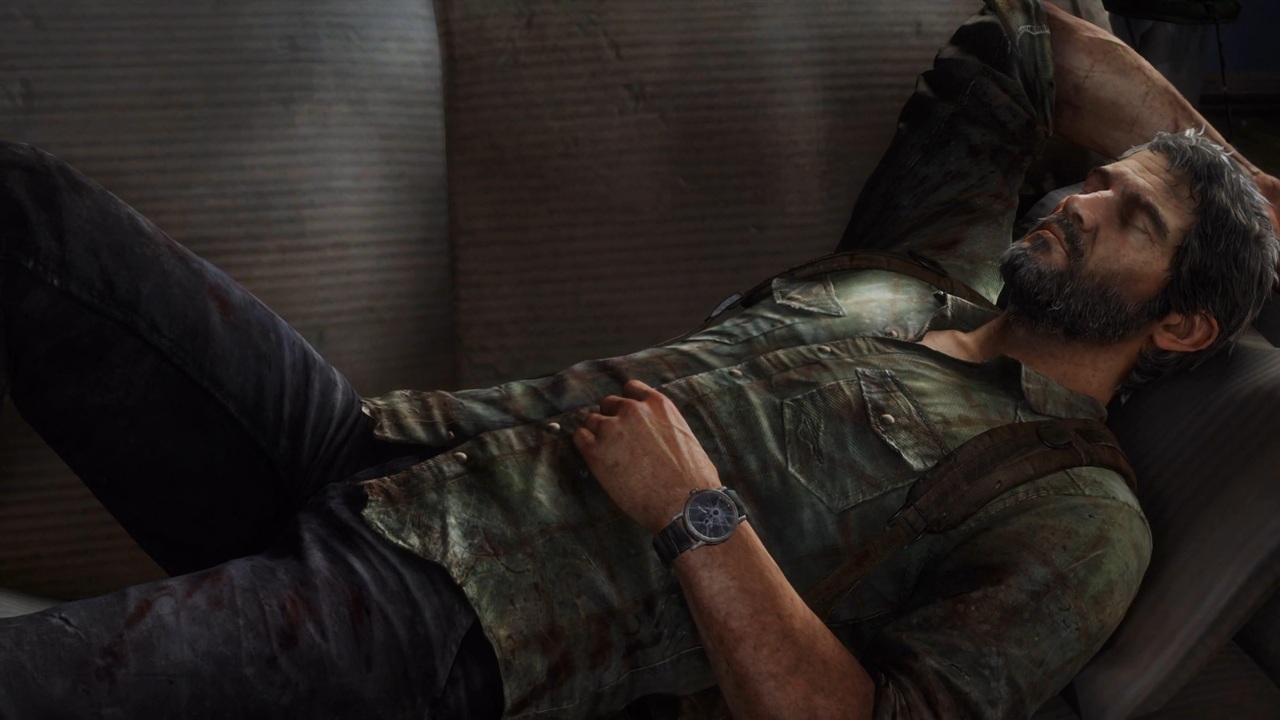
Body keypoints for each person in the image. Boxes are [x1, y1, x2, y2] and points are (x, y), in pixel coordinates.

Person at [0, 1, 1275, 719]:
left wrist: (694, 515)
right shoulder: (923, 266)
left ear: (1179, 327)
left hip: (463, 625)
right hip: (377, 453)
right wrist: (1248, 187)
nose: (1076, 205)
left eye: (1131, 220)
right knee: (31, 219)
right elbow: (1017, 52)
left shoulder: (1076, 512)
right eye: (1096, 181)